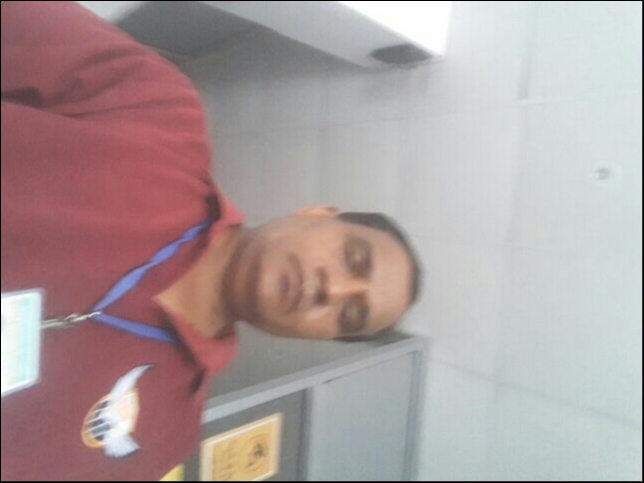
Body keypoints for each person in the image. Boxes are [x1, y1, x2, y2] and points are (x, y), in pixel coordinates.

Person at [0, 1, 422, 480]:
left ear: (318, 338)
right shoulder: (157, 111)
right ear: (315, 213)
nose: (332, 289)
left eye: (348, 314)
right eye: (352, 258)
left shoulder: (158, 436)